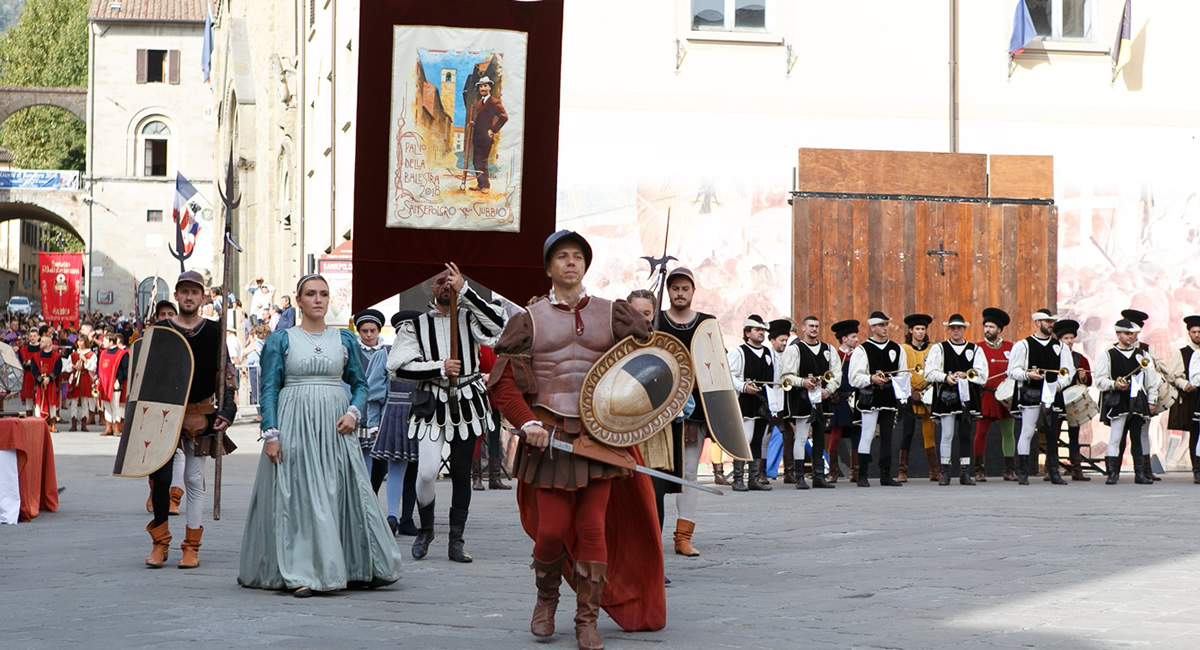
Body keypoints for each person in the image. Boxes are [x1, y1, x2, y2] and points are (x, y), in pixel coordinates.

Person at [487, 230, 664, 649]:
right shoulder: (527, 319)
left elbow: (649, 366)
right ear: (548, 268)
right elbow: (503, 385)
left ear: (585, 265)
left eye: (577, 256)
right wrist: (526, 422)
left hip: (598, 436)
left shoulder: (612, 313)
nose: (570, 262)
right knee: (551, 530)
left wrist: (646, 333)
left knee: (591, 528)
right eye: (561, 257)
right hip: (546, 436)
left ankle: (587, 620)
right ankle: (546, 600)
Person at [238, 274, 402, 596]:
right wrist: (271, 433)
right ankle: (302, 572)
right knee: (299, 496)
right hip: (294, 422)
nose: (318, 299)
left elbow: (360, 384)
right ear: (298, 301)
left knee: (342, 493)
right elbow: (269, 388)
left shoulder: (345, 340)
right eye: (310, 294)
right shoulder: (280, 340)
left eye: (323, 294)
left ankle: (353, 565)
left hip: (335, 427)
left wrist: (354, 412)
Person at [388, 262, 507, 563]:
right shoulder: (415, 326)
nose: (446, 286)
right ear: (431, 287)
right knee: (427, 471)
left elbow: (500, 330)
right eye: (441, 281)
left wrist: (465, 291)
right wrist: (439, 367)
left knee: (461, 473)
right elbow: (397, 365)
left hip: (467, 402)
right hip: (431, 402)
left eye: (450, 281)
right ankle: (426, 529)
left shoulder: (469, 318)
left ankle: (456, 539)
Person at [142, 271, 238, 570]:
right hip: (163, 414)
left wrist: (228, 409)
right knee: (161, 480)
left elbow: (226, 373)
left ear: (202, 297)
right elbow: (146, 374)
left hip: (200, 413)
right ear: (178, 295)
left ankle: (192, 546)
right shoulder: (162, 329)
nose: (188, 297)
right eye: (183, 291)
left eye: (194, 292)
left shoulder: (214, 331)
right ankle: (160, 543)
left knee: (194, 480)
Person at [654, 267, 715, 555]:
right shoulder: (655, 321)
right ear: (669, 291)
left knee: (689, 473)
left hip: (693, 413)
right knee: (653, 475)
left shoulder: (706, 324)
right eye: (675, 288)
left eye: (685, 288)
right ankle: (651, 536)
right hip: (657, 410)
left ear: (693, 291)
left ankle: (683, 537)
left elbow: (716, 370)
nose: (680, 293)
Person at [1006, 309, 1075, 486]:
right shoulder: (1023, 345)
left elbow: (1068, 371)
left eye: (1052, 321)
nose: (1050, 324)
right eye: (1047, 321)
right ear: (1037, 323)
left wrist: (1059, 385)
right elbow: (1012, 370)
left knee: (1053, 434)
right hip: (1031, 393)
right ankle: (1022, 472)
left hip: (1053, 393)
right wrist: (1028, 375)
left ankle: (1053, 472)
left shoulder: (1060, 347)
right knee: (1027, 431)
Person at [372, 310, 423, 537]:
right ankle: (395, 516)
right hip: (399, 412)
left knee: (412, 467)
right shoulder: (386, 354)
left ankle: (405, 517)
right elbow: (375, 387)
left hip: (415, 412)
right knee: (399, 466)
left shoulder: (422, 356)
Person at [923, 314, 988, 486]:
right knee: (947, 434)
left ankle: (965, 472)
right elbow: (929, 373)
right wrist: (946, 377)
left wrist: (966, 375)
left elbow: (983, 375)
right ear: (949, 330)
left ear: (964, 329)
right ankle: (946, 472)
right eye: (953, 328)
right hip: (947, 396)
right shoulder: (939, 348)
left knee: (966, 434)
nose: (956, 330)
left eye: (959, 327)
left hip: (967, 397)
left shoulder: (975, 349)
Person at [1095, 318, 1159, 485]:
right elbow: (1100, 380)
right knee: (1116, 437)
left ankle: (1140, 474)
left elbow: (1152, 380)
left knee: (1137, 437)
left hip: (1138, 400)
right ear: (1118, 334)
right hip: (1118, 400)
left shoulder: (1143, 355)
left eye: (1132, 334)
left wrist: (1152, 400)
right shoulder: (1108, 354)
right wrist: (1114, 384)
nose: (1130, 337)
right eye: (1127, 333)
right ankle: (1112, 473)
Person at [848, 311, 906, 488]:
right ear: (872, 327)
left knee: (888, 436)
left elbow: (903, 375)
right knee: (867, 433)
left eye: (886, 324)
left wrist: (901, 395)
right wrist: (870, 379)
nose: (885, 328)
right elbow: (854, 378)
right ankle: (862, 474)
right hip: (870, 398)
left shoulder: (897, 349)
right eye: (881, 325)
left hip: (888, 397)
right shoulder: (862, 350)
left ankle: (886, 474)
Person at [780, 315, 839, 490]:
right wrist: (802, 382)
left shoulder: (829, 349)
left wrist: (828, 390)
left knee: (820, 437)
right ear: (803, 328)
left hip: (821, 398)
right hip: (802, 398)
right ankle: (799, 477)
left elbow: (836, 374)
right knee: (801, 436)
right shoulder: (795, 350)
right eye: (811, 326)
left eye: (817, 326)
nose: (814, 329)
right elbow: (786, 375)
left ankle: (819, 476)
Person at [728, 314, 775, 492]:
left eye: (763, 330)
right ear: (747, 332)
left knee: (758, 439)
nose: (761, 333)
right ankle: (738, 478)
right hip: (745, 399)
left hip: (762, 401)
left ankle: (753, 479)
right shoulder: (738, 352)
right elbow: (730, 376)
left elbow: (772, 379)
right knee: (744, 438)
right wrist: (743, 386)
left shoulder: (768, 353)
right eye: (757, 330)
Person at [974, 308, 1017, 481]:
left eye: (991, 327)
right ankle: (978, 470)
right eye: (986, 326)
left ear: (999, 329)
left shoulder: (1010, 347)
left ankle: (1009, 469)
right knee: (980, 433)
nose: (987, 330)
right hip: (987, 395)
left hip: (1006, 396)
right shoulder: (977, 348)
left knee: (1009, 432)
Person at [898, 314, 940, 483]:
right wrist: (909, 391)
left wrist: (927, 390)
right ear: (911, 330)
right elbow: (901, 372)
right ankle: (902, 471)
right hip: (910, 395)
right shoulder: (904, 349)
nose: (920, 332)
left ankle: (934, 470)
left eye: (923, 329)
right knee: (907, 432)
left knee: (929, 433)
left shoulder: (932, 349)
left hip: (928, 395)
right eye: (917, 329)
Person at [351, 309, 390, 486]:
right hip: (357, 411)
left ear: (378, 331)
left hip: (380, 412)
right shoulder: (353, 351)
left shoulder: (386, 352)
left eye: (372, 331)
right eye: (364, 331)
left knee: (380, 460)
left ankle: (369, 495)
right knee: (360, 456)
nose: (368, 335)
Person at [1054, 319, 1093, 481]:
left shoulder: (1080, 358)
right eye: (1066, 338)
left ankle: (1076, 469)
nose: (1069, 341)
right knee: (1053, 434)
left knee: (1074, 436)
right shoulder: (1053, 357)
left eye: (1071, 338)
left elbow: (1089, 382)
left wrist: (1083, 377)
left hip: (1073, 402)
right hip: (1056, 399)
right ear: (1059, 340)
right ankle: (1053, 468)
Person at [826, 319, 861, 483]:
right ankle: (833, 472)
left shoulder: (859, 355)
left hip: (855, 399)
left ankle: (856, 471)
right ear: (844, 338)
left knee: (856, 433)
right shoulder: (835, 355)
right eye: (853, 336)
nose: (857, 339)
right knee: (836, 433)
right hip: (839, 399)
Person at [1167, 315, 1200, 483]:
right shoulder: (1183, 353)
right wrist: (1185, 384)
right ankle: (1197, 469)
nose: (1197, 335)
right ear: (1189, 333)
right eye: (1194, 332)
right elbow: (1173, 375)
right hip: (1192, 398)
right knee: (1195, 433)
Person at [469, 76, 508, 193]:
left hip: (486, 137)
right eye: (481, 86)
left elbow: (504, 117)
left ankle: (485, 185)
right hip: (477, 137)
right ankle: (480, 184)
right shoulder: (479, 103)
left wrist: (493, 130)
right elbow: (482, 121)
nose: (483, 88)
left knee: (483, 161)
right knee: (476, 161)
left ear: (489, 87)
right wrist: (473, 124)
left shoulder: (494, 102)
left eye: (485, 86)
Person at [96, 331, 129, 436]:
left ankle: (116, 428)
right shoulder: (103, 353)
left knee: (115, 405)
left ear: (111, 341)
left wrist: (118, 379)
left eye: (105, 340)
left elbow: (126, 369)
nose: (103, 342)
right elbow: (99, 367)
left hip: (115, 383)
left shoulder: (122, 354)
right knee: (107, 405)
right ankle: (108, 427)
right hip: (104, 383)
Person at [29, 334, 64, 431]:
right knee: (38, 403)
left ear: (48, 344)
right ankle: (38, 424)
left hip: (51, 383)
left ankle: (52, 424)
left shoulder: (56, 357)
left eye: (42, 341)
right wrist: (40, 379)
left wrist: (49, 378)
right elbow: (34, 370)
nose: (40, 343)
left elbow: (57, 369)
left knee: (52, 403)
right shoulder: (35, 356)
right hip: (40, 384)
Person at [65, 335, 97, 432]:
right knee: (74, 402)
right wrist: (74, 367)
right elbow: (67, 367)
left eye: (82, 341)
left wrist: (85, 360)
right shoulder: (73, 354)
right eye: (78, 341)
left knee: (85, 402)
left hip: (85, 378)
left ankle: (84, 423)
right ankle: (73, 423)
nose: (80, 343)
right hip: (75, 378)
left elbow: (92, 367)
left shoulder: (91, 354)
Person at [18, 328, 39, 416]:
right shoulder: (24, 350)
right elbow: (20, 362)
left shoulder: (41, 348)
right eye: (31, 336)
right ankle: (29, 418)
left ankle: (39, 418)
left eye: (34, 336)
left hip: (38, 374)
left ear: (38, 337)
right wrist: (25, 363)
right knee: (28, 398)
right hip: (28, 374)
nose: (32, 338)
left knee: (38, 397)